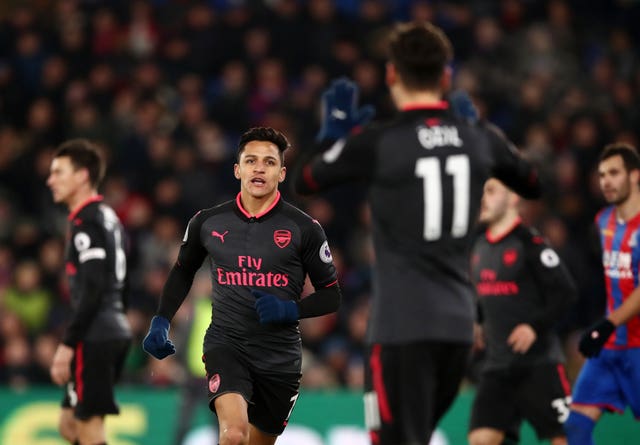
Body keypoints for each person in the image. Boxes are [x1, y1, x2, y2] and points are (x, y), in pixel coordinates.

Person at [292, 22, 541, 444]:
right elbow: (532, 181)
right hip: (458, 329)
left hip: (400, 328)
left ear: (391, 75)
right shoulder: (479, 138)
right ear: (446, 77)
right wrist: (477, 135)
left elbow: (306, 180)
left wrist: (333, 136)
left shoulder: (379, 142)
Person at [142, 126, 341, 445]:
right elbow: (182, 272)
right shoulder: (208, 222)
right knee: (233, 435)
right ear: (238, 169)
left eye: (268, 162)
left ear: (281, 172)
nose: (259, 168)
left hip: (280, 356)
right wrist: (161, 321)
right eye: (250, 161)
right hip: (226, 345)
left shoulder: (304, 229)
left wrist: (290, 309)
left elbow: (331, 296)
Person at [468, 178, 577, 445]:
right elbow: (486, 293)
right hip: (497, 365)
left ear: (513, 197)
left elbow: (565, 292)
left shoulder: (530, 243)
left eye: (491, 191)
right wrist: (478, 321)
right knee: (482, 438)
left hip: (537, 364)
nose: (483, 198)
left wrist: (533, 326)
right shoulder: (479, 246)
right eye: (482, 192)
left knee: (565, 438)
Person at [47, 139, 132, 445]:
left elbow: (94, 289)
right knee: (69, 426)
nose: (50, 180)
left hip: (95, 334)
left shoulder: (87, 222)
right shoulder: (109, 218)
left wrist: (68, 344)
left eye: (59, 172)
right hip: (112, 328)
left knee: (90, 429)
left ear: (82, 176)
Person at [565, 143, 640, 445]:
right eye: (601, 175)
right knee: (575, 427)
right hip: (610, 348)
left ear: (635, 176)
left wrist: (607, 323)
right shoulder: (603, 221)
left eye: (614, 173)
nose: (605, 181)